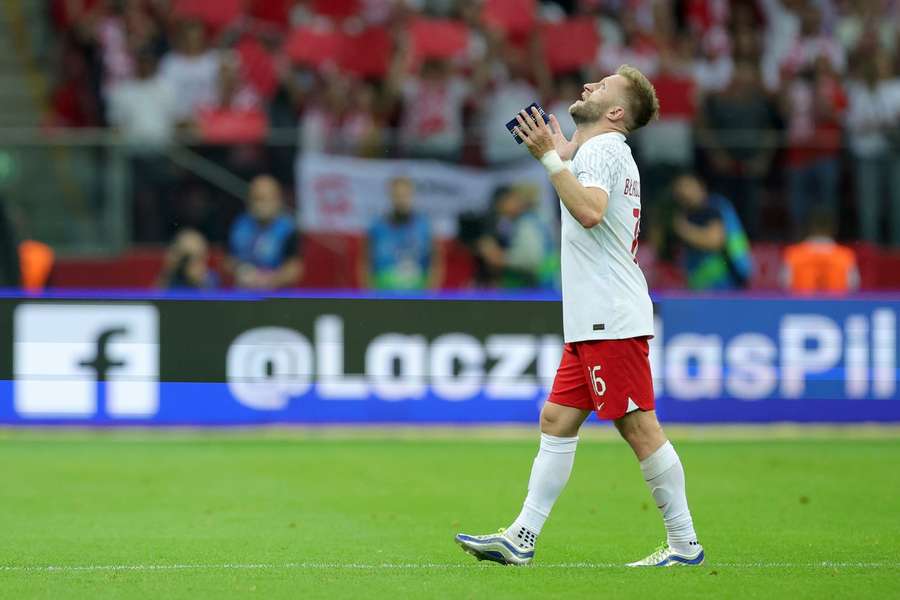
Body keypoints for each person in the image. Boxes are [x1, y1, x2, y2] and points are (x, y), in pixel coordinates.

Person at [455, 65, 704, 567]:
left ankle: (684, 545)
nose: (589, 85)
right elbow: (586, 187)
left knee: (639, 428)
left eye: (603, 86)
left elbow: (590, 211)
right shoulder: (598, 151)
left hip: (609, 317)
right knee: (555, 419)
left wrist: (552, 157)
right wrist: (560, 150)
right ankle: (521, 538)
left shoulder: (605, 150)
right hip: (594, 317)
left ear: (616, 111)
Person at [668, 173, 753, 291]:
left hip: (727, 283)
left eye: (687, 186)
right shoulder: (689, 214)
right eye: (679, 189)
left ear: (700, 186)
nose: (684, 192)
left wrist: (683, 229)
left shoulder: (713, 208)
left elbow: (714, 240)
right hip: (704, 289)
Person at [360, 177, 443, 291]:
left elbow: (436, 264)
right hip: (383, 295)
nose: (401, 200)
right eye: (397, 195)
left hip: (417, 295)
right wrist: (369, 294)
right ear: (390, 196)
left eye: (405, 195)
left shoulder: (425, 227)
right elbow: (365, 263)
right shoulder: (377, 227)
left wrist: (430, 293)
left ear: (412, 196)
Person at [227, 175, 303, 290]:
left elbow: (294, 269)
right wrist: (240, 270)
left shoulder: (289, 229)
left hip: (276, 295)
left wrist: (268, 280)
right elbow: (227, 260)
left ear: (278, 200)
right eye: (256, 198)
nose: (260, 205)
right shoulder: (239, 225)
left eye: (265, 198)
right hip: (242, 292)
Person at [476, 185, 557, 289]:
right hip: (543, 286)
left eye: (503, 203)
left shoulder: (527, 222)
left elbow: (531, 259)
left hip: (542, 287)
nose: (501, 210)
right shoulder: (527, 219)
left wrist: (500, 258)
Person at [782, 209, 859, 294]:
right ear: (833, 228)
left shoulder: (793, 254)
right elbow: (853, 289)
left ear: (808, 228)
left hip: (802, 306)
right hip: (837, 306)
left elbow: (785, 287)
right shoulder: (845, 256)